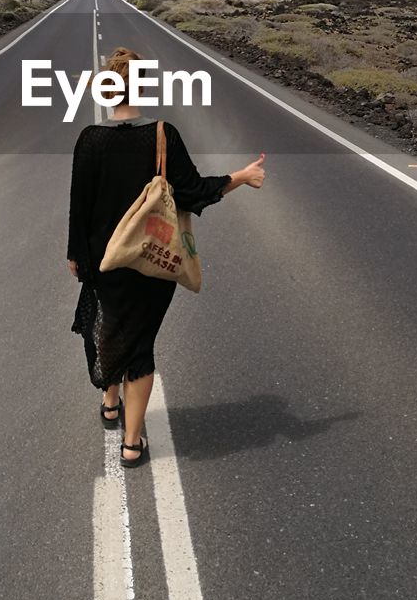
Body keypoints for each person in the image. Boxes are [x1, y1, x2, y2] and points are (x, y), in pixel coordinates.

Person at [67, 47, 267, 467]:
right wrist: (241, 177)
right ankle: (132, 443)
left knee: (108, 325)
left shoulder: (89, 140)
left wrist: (76, 258)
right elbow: (193, 192)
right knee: (139, 343)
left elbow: (79, 207)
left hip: (106, 262)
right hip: (151, 265)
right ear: (140, 86)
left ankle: (109, 402)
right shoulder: (163, 134)